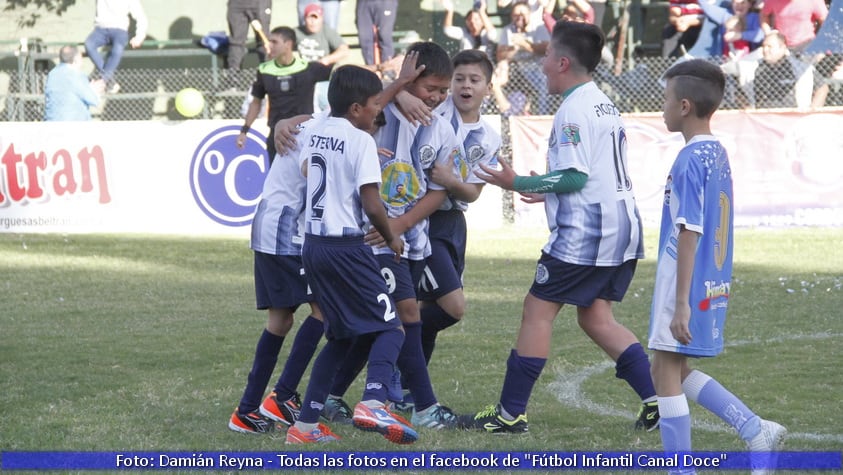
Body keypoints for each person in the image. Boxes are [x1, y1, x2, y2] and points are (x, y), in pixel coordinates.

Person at [460, 21, 659, 433]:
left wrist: (522, 183)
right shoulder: (600, 100)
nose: (543, 62)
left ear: (563, 62)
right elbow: (588, 173)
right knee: (596, 317)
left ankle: (510, 413)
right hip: (623, 226)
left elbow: (574, 177)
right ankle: (657, 401)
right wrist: (547, 193)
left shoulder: (573, 109)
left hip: (589, 233)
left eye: (548, 55)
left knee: (537, 310)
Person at [650, 58, 786, 474]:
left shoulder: (690, 159)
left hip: (685, 279)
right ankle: (754, 428)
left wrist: (681, 303)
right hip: (711, 276)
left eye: (667, 99)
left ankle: (682, 468)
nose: (663, 106)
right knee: (673, 366)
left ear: (685, 106)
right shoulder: (716, 152)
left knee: (662, 370)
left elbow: (689, 232)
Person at [318, 42, 464, 431]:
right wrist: (397, 88)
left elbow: (439, 190)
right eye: (428, 87)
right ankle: (415, 405)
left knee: (382, 324)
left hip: (409, 240)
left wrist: (399, 226)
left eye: (441, 91)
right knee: (405, 315)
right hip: (370, 240)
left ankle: (331, 397)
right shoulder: (373, 115)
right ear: (409, 78)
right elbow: (339, 119)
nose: (434, 97)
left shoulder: (442, 129)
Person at [287, 64, 416, 445]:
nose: (380, 111)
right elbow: (372, 201)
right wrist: (392, 236)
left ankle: (305, 428)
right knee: (392, 327)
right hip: (346, 247)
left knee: (340, 337)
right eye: (376, 104)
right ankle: (374, 400)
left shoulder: (315, 131)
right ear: (358, 107)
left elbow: (310, 170)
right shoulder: (361, 142)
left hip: (313, 246)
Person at [227, 114, 325, 435]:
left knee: (280, 321)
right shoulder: (322, 133)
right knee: (325, 310)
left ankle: (248, 409)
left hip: (273, 224)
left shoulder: (317, 122)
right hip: (285, 229)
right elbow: (313, 172)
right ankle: (280, 397)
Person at [410, 49, 502, 375]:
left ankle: (406, 387)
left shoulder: (489, 136)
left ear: (488, 87)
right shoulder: (432, 113)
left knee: (429, 310)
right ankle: (387, 344)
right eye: (459, 78)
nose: (465, 85)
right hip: (423, 219)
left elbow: (473, 193)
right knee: (452, 307)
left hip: (453, 223)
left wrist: (450, 180)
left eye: (474, 80)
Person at [237, 26, 333, 164]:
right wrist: (244, 130)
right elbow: (256, 102)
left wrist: (375, 68)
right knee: (277, 184)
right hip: (277, 137)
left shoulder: (309, 68)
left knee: (307, 180)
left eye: (274, 42)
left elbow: (340, 76)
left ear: (288, 44)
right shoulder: (264, 70)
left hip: (304, 135)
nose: (269, 45)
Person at [496, 1, 552, 115]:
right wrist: (514, 48)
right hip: (514, 70)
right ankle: (506, 114)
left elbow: (547, 49)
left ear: (529, 14)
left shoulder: (538, 27)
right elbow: (499, 55)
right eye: (516, 15)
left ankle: (542, 114)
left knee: (543, 79)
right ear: (512, 16)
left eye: (523, 14)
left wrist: (525, 44)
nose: (519, 17)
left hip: (535, 67)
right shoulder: (507, 30)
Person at [84, 0, 148, 93]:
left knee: (117, 49)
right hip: (100, 29)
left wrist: (140, 36)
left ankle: (103, 81)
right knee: (89, 44)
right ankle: (110, 82)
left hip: (119, 30)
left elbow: (140, 16)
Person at [296, 3, 350, 112]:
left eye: (316, 18)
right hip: (305, 79)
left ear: (321, 19)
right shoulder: (298, 32)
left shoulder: (326, 31)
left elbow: (345, 50)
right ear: (305, 19)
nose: (313, 21)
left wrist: (327, 59)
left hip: (324, 78)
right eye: (310, 18)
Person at [753, 31, 825, 109]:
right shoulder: (758, 68)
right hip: (765, 116)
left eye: (769, 46)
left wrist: (812, 111)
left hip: (793, 116)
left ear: (782, 48)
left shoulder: (799, 67)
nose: (765, 50)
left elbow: (823, 88)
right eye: (763, 46)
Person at [44, 45, 105, 121]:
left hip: (51, 123)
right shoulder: (77, 75)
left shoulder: (52, 74)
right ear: (76, 59)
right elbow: (93, 100)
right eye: (81, 57)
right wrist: (93, 89)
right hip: (74, 125)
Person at [760, 0, 827, 53]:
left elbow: (826, 21)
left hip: (807, 45)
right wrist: (768, 33)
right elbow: (764, 15)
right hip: (782, 47)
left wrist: (820, 42)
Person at [226, 0, 272, 71]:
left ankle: (269, 74)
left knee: (263, 40)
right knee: (236, 42)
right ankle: (233, 75)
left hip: (259, 3)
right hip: (236, 4)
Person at [356, 0, 399, 66]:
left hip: (385, 2)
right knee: (365, 39)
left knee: (384, 36)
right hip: (363, 3)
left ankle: (388, 72)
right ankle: (371, 70)